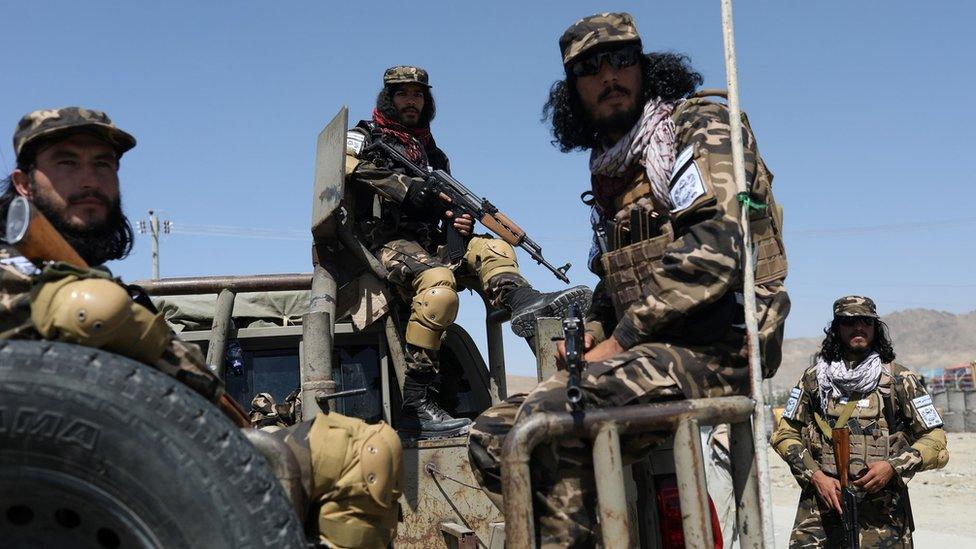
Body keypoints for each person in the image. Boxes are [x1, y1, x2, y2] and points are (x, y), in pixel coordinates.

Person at [0, 107, 402, 548]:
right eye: (66, 162)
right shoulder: (25, 271)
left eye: (103, 164)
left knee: (364, 447)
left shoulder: (77, 271)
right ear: (23, 183)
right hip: (87, 460)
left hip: (164, 443)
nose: (90, 179)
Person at [467, 12, 789, 546]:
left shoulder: (697, 126)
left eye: (622, 59)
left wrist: (618, 340)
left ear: (645, 68)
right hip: (655, 350)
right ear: (573, 90)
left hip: (723, 344)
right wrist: (595, 328)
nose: (608, 74)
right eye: (590, 68)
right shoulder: (610, 169)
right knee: (494, 436)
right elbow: (612, 281)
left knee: (550, 419)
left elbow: (716, 248)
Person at [345, 66, 592, 439]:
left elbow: (445, 211)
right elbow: (347, 169)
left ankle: (521, 298)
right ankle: (416, 403)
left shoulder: (433, 154)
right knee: (438, 286)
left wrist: (460, 223)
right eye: (402, 94)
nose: (411, 101)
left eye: (418, 94)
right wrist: (405, 188)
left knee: (494, 246)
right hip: (387, 245)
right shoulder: (364, 136)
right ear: (388, 98)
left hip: (434, 245)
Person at [772, 296, 949, 547]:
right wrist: (816, 476)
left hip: (882, 513)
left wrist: (893, 466)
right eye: (849, 322)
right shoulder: (814, 379)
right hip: (822, 510)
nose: (858, 327)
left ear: (875, 328)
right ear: (836, 329)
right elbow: (784, 434)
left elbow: (935, 438)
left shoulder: (899, 379)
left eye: (865, 321)